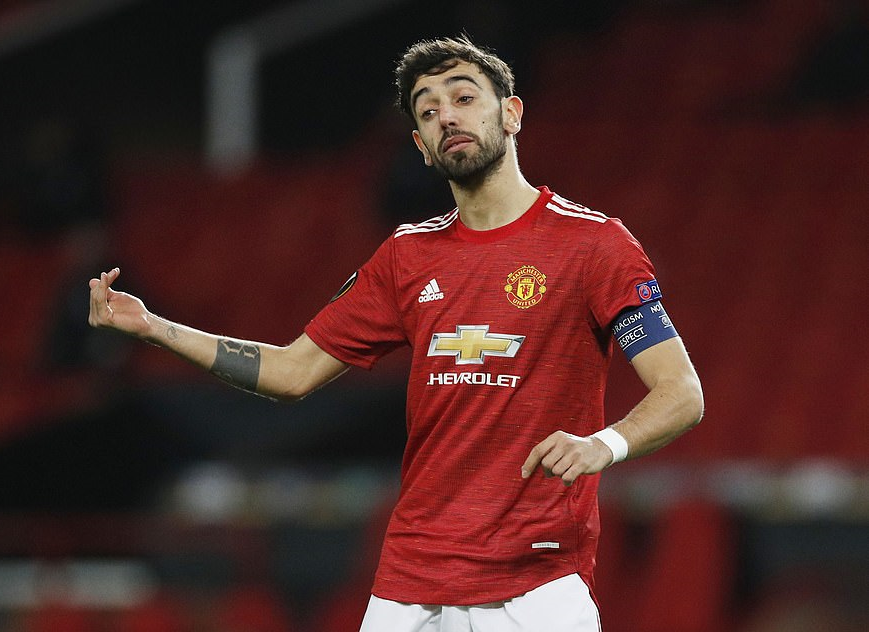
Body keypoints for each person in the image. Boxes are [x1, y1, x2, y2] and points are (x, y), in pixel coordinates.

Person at [88, 36, 704, 632]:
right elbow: (290, 372)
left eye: (464, 97)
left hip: (536, 583)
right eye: (428, 112)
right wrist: (153, 327)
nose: (447, 117)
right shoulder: (407, 257)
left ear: (512, 113)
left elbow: (681, 392)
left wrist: (605, 444)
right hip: (410, 583)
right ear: (420, 145)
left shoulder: (594, 245)